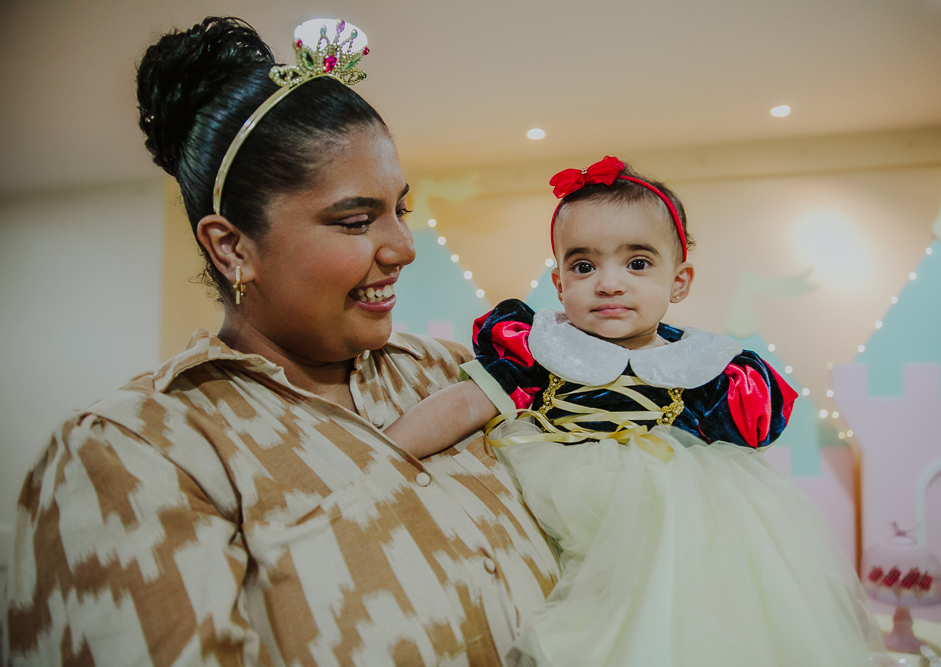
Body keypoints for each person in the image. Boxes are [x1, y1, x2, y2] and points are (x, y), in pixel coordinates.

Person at [5, 17, 559, 665]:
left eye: (399, 210)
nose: (404, 247)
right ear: (232, 245)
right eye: (356, 220)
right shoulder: (141, 453)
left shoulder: (452, 371)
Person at [385, 156, 887, 666]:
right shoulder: (543, 347)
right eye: (584, 266)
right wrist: (383, 449)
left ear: (680, 281)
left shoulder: (701, 364)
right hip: (558, 482)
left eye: (638, 263)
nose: (609, 283)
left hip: (670, 504)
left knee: (705, 590)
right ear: (559, 284)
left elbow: (743, 439)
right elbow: (468, 401)